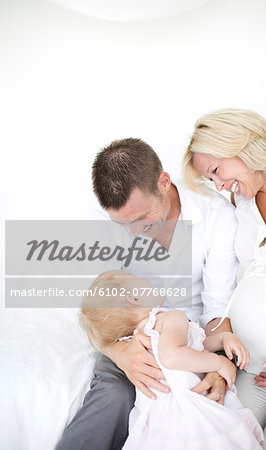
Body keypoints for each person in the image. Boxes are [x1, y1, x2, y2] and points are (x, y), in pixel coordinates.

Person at [56, 138, 239, 450]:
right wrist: (118, 352)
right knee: (114, 395)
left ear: (163, 183)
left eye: (142, 219)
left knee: (198, 412)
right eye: (123, 224)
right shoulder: (102, 217)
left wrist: (214, 364)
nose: (133, 233)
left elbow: (217, 311)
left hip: (189, 336)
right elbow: (97, 306)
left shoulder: (214, 215)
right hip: (128, 334)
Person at [183, 108, 266, 450]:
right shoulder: (240, 201)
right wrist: (220, 363)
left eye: (217, 170)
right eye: (211, 180)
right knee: (225, 439)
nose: (219, 186)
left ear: (242, 145)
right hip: (255, 363)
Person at [80, 270, 264, 449]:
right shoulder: (172, 317)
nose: (143, 277)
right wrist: (218, 362)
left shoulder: (138, 337)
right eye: (135, 278)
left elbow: (193, 347)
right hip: (187, 410)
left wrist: (222, 339)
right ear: (134, 299)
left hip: (158, 422)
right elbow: (172, 356)